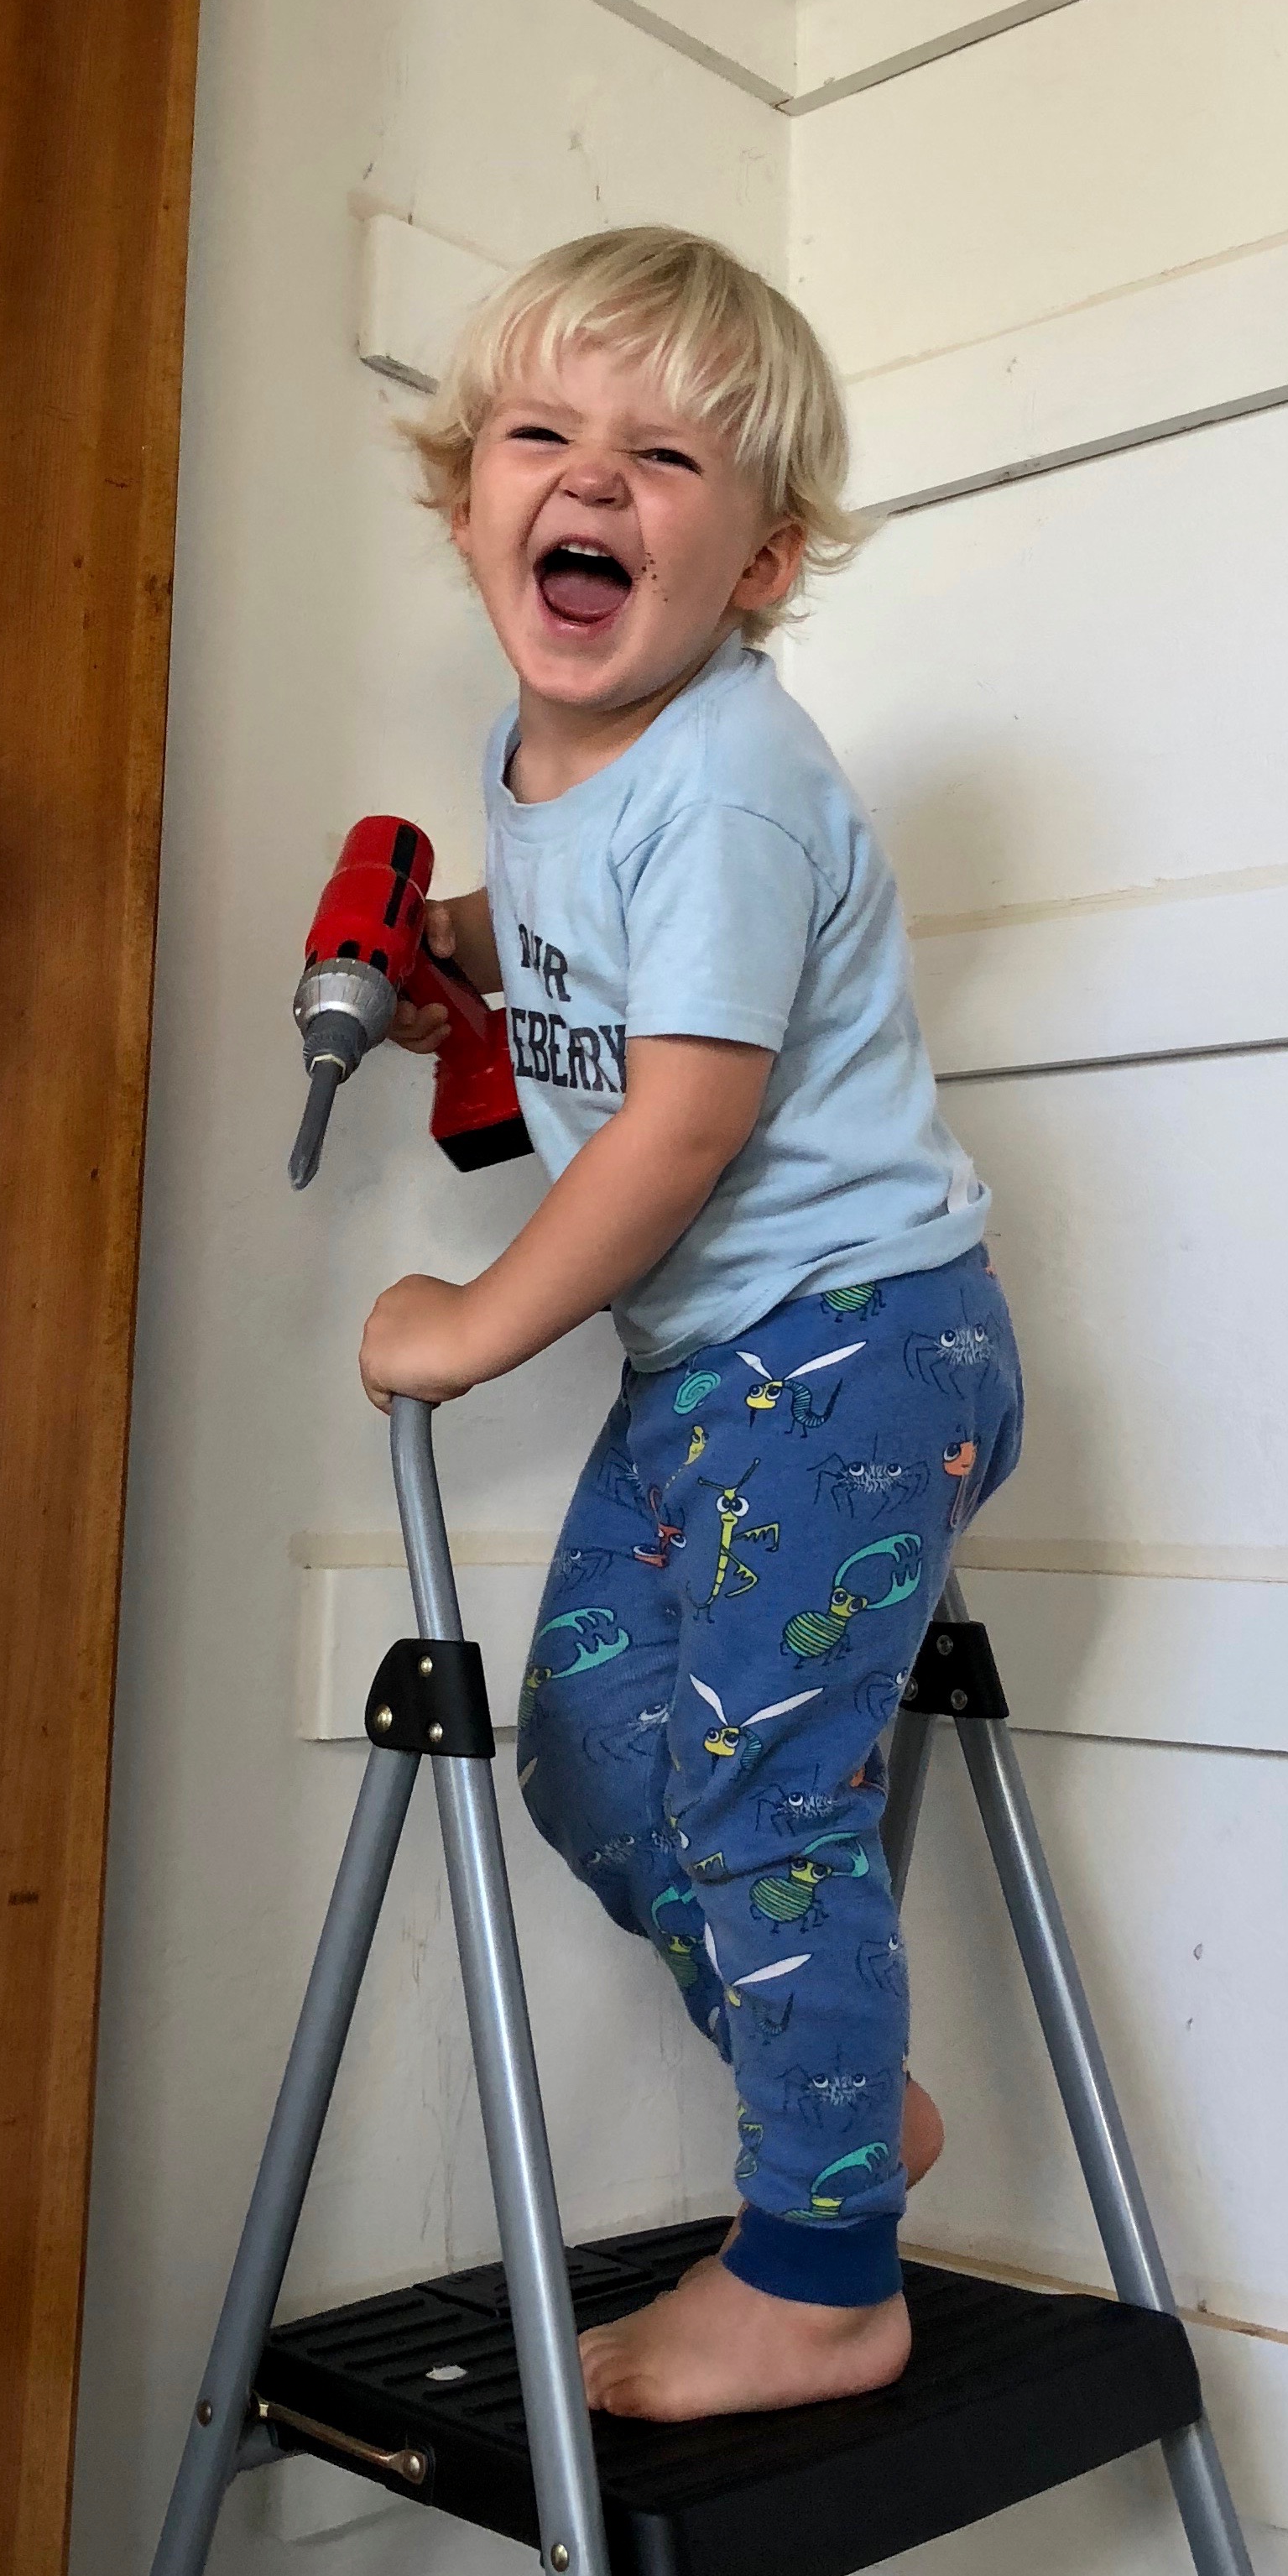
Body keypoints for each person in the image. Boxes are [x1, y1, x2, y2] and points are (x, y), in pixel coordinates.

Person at [356, 227, 1022, 2422]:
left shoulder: (731, 776)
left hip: (845, 1348)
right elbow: (592, 918)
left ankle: (822, 2273)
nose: (589, 478)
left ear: (761, 562)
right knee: (588, 1759)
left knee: (755, 1797)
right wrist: (460, 943)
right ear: (470, 497)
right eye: (541, 435)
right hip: (726, 1364)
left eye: (662, 458)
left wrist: (476, 1322)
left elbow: (682, 1124)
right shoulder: (552, 757)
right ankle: (837, 2107)